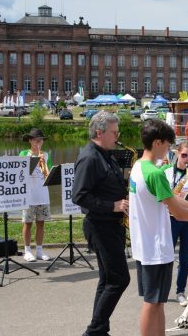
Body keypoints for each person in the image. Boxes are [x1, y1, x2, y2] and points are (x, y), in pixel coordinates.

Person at [129, 119, 188, 336]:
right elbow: (178, 212)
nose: (169, 149)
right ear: (157, 142)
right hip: (155, 246)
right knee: (151, 303)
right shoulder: (155, 173)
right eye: (167, 144)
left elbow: (174, 199)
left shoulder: (139, 166)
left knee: (158, 302)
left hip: (145, 243)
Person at [73, 111, 132, 336]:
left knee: (107, 279)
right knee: (120, 279)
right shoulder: (90, 158)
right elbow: (79, 196)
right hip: (100, 225)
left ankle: (101, 330)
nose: (118, 136)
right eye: (114, 132)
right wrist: (112, 206)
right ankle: (93, 331)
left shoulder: (105, 154)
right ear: (100, 133)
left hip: (111, 225)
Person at [162, 140, 188, 306]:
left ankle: (180, 291)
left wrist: (187, 197)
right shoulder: (164, 171)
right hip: (169, 218)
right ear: (177, 154)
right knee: (167, 257)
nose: (187, 159)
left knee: (185, 257)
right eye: (184, 155)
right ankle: (163, 290)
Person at [18, 128, 53, 262]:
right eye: (36, 140)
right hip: (29, 195)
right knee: (27, 223)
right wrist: (36, 160)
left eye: (41, 140)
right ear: (30, 141)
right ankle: (27, 250)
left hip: (43, 195)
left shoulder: (46, 155)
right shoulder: (24, 154)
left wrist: (44, 163)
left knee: (41, 223)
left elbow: (48, 176)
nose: (39, 143)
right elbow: (21, 173)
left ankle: (39, 250)